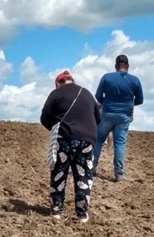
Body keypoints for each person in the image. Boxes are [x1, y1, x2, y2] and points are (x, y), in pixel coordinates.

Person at [40, 70, 100, 223]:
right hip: (87, 140)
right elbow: (97, 119)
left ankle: (56, 211)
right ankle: (82, 214)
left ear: (58, 83)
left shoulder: (56, 93)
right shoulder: (87, 93)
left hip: (64, 138)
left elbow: (44, 117)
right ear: (72, 80)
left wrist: (56, 129)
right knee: (83, 175)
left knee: (59, 172)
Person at [94, 54, 144, 182]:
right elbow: (139, 100)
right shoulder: (135, 80)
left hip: (107, 112)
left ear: (116, 65)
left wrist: (107, 101)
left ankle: (92, 167)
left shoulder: (106, 77)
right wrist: (128, 102)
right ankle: (119, 174)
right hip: (124, 115)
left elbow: (98, 96)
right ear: (127, 66)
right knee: (119, 144)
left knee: (99, 139)